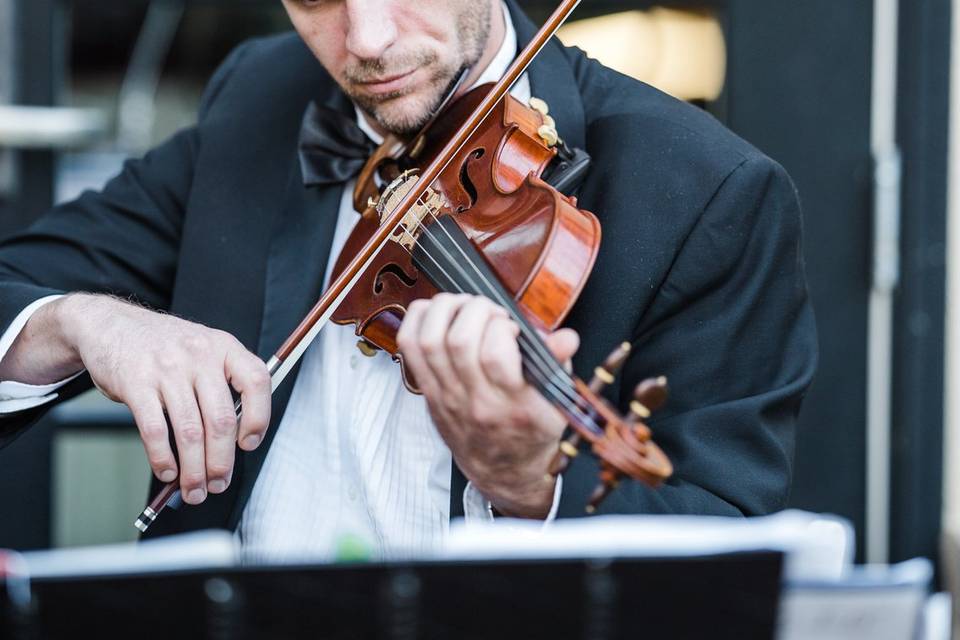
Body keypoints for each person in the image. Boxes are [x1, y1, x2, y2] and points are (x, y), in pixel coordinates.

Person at [0, 0, 816, 559]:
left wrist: (534, 488)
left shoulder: (709, 192)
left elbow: (723, 549)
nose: (366, 39)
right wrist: (85, 321)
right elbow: (18, 280)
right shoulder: (261, 95)